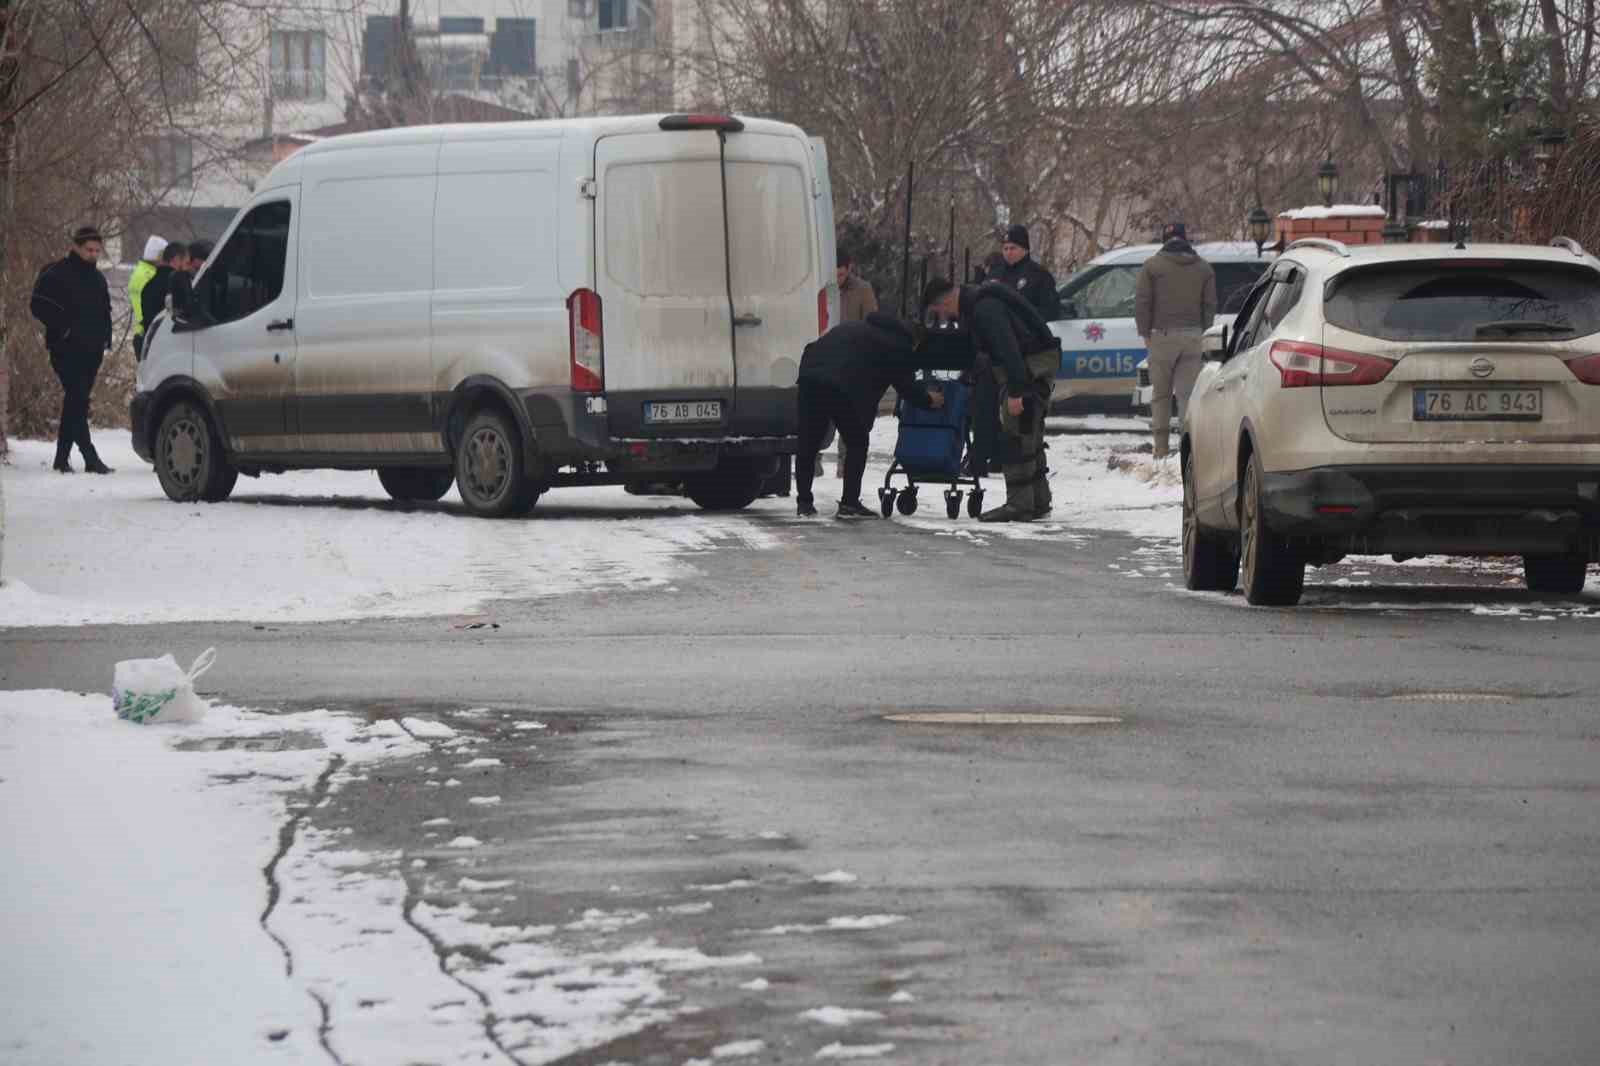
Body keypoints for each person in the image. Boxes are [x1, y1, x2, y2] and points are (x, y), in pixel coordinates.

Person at [923, 277, 1059, 522]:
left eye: (939, 311)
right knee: (1030, 434)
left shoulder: (984, 309)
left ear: (945, 302)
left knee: (1016, 432)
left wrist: (1017, 392)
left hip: (1029, 365)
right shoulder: (977, 303)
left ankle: (1019, 505)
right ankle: (1038, 501)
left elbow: (1009, 350)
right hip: (1037, 360)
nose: (943, 318)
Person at [795, 313, 949, 519]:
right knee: (857, 441)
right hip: (840, 384)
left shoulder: (859, 327)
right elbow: (905, 386)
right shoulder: (897, 344)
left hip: (810, 377)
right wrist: (929, 400)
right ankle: (849, 503)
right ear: (915, 340)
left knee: (808, 442)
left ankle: (804, 503)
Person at [31, 226, 115, 474]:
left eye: (97, 250)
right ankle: (89, 456)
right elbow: (38, 305)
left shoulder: (98, 278)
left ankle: (61, 458)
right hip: (65, 348)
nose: (93, 254)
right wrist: (62, 328)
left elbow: (104, 311)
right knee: (77, 398)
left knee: (76, 401)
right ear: (76, 247)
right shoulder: (56, 273)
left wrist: (105, 340)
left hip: (93, 350)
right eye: (89, 249)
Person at [1134, 222, 1216, 460]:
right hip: (1193, 336)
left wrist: (1145, 334)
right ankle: (1187, 452)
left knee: (1160, 395)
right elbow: (1209, 305)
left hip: (1161, 336)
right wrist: (1204, 332)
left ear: (1164, 240)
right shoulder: (1203, 268)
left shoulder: (1151, 266)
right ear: (1185, 238)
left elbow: (1142, 303)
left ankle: (1160, 449)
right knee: (1187, 396)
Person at [989, 224, 1061, 322]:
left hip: (1026, 333)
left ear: (1025, 250)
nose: (1008, 252)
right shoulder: (995, 273)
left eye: (1013, 248)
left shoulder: (1039, 275)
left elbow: (1050, 311)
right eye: (1005, 249)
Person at [137, 241, 188, 351]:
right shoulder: (179, 284)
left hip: (151, 346)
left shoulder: (148, 286)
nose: (186, 268)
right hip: (173, 345)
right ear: (176, 259)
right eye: (185, 263)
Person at [128, 235, 167, 359]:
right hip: (149, 333)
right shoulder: (149, 275)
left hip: (142, 333)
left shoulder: (139, 272)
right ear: (159, 256)